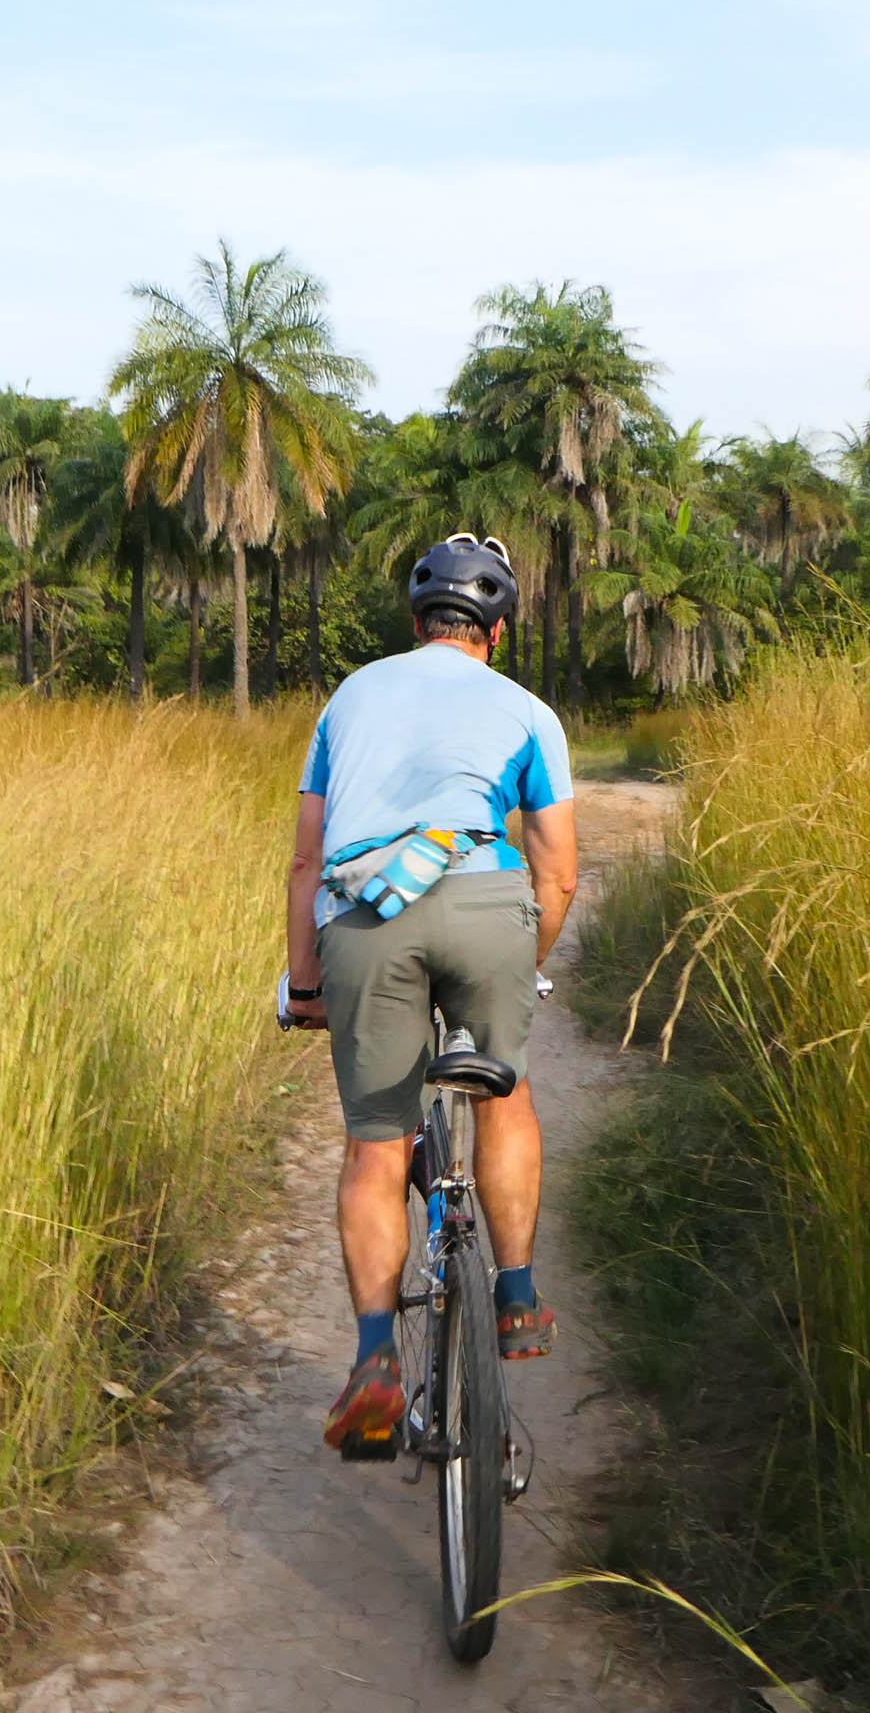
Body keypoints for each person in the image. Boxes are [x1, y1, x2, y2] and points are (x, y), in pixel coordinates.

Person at [285, 533, 579, 1458]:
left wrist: (304, 987)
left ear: (416, 624)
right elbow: (560, 870)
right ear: (493, 632)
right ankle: (518, 1294)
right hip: (489, 904)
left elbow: (304, 860)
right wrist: (521, 967)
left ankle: (376, 1360)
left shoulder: (349, 696)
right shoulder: (528, 710)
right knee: (507, 1090)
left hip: (365, 916)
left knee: (377, 1148)